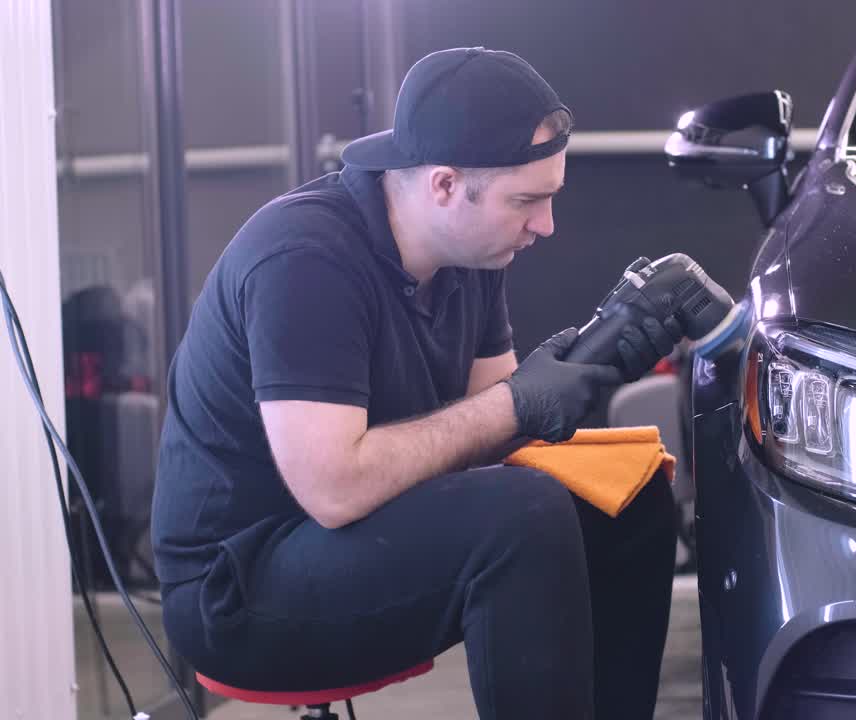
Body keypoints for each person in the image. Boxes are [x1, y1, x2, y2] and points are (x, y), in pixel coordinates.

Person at [151, 47, 683, 719]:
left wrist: (585, 363)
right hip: (242, 587)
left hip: (353, 533)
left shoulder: (474, 251)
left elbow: (493, 430)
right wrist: (517, 403)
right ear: (443, 185)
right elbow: (334, 488)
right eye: (528, 201)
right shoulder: (305, 261)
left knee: (627, 502)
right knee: (521, 516)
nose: (545, 225)